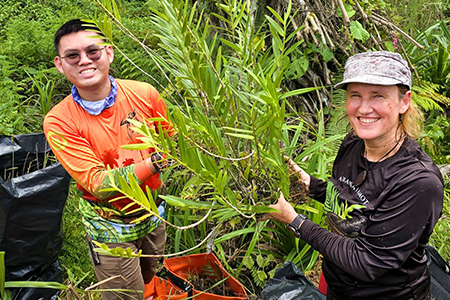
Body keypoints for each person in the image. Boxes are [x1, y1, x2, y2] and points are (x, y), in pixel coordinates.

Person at [262, 51, 444, 300]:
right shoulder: (353, 144)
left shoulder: (418, 182)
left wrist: (295, 221)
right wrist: (311, 185)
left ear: (404, 102)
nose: (364, 108)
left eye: (378, 96)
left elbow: (367, 261)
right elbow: (352, 202)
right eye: (355, 95)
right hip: (338, 284)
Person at [43, 19, 173, 300]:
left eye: (93, 52)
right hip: (109, 224)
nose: (84, 61)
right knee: (126, 296)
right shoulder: (59, 121)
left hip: (153, 213)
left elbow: (172, 139)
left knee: (151, 276)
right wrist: (156, 161)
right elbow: (99, 184)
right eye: (72, 56)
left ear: (109, 53)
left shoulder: (145, 94)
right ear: (60, 64)